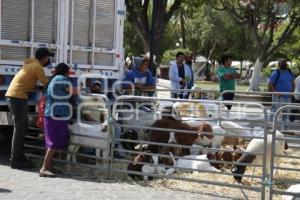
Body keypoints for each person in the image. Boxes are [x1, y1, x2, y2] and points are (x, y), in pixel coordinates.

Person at [5, 47, 54, 169]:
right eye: (48, 57)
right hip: (18, 98)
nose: (49, 60)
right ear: (44, 58)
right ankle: (15, 160)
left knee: (23, 127)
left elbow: (28, 83)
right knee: (20, 128)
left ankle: (20, 156)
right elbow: (47, 84)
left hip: (15, 96)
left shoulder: (30, 65)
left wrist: (40, 88)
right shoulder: (37, 67)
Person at [40, 63, 71, 177]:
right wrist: (82, 88)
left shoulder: (53, 79)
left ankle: (49, 167)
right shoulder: (62, 79)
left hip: (50, 113)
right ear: (66, 71)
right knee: (54, 142)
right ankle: (44, 168)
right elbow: (73, 91)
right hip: (58, 114)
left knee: (51, 142)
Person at [268, 58, 295, 125]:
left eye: (285, 63)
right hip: (278, 97)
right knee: (275, 111)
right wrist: (276, 92)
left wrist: (292, 91)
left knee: (287, 112)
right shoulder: (276, 73)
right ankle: (271, 126)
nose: (284, 64)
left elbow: (293, 82)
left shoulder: (289, 72)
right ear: (279, 64)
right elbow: (270, 84)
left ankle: (285, 128)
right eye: (282, 63)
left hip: (288, 96)